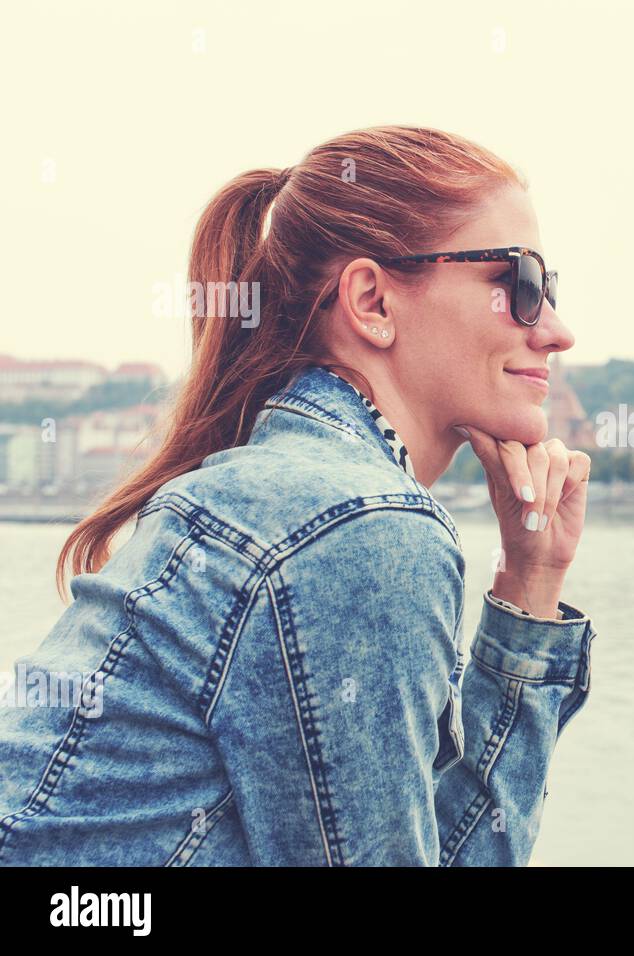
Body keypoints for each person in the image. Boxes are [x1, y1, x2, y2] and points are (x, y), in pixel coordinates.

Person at [0, 126, 595, 866]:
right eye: (521, 283)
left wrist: (532, 584)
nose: (559, 332)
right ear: (372, 301)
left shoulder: (287, 492)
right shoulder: (356, 527)